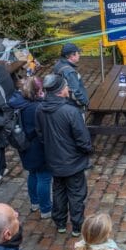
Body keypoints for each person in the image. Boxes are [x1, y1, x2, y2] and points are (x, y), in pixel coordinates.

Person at [36, 73, 93, 236]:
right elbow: (83, 138)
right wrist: (87, 151)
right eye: (66, 86)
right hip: (73, 162)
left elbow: (40, 134)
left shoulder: (41, 109)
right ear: (61, 91)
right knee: (76, 194)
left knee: (59, 191)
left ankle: (60, 223)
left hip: (53, 160)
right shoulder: (70, 111)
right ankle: (77, 226)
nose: (69, 88)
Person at [8, 76, 51, 218]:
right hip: (37, 146)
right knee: (44, 177)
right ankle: (46, 209)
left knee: (33, 174)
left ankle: (35, 202)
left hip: (24, 145)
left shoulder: (20, 103)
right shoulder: (36, 107)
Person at [53, 43, 90, 109]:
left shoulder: (58, 64)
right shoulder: (70, 72)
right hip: (73, 107)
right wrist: (85, 102)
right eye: (78, 53)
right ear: (72, 56)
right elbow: (76, 93)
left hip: (62, 103)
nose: (79, 55)